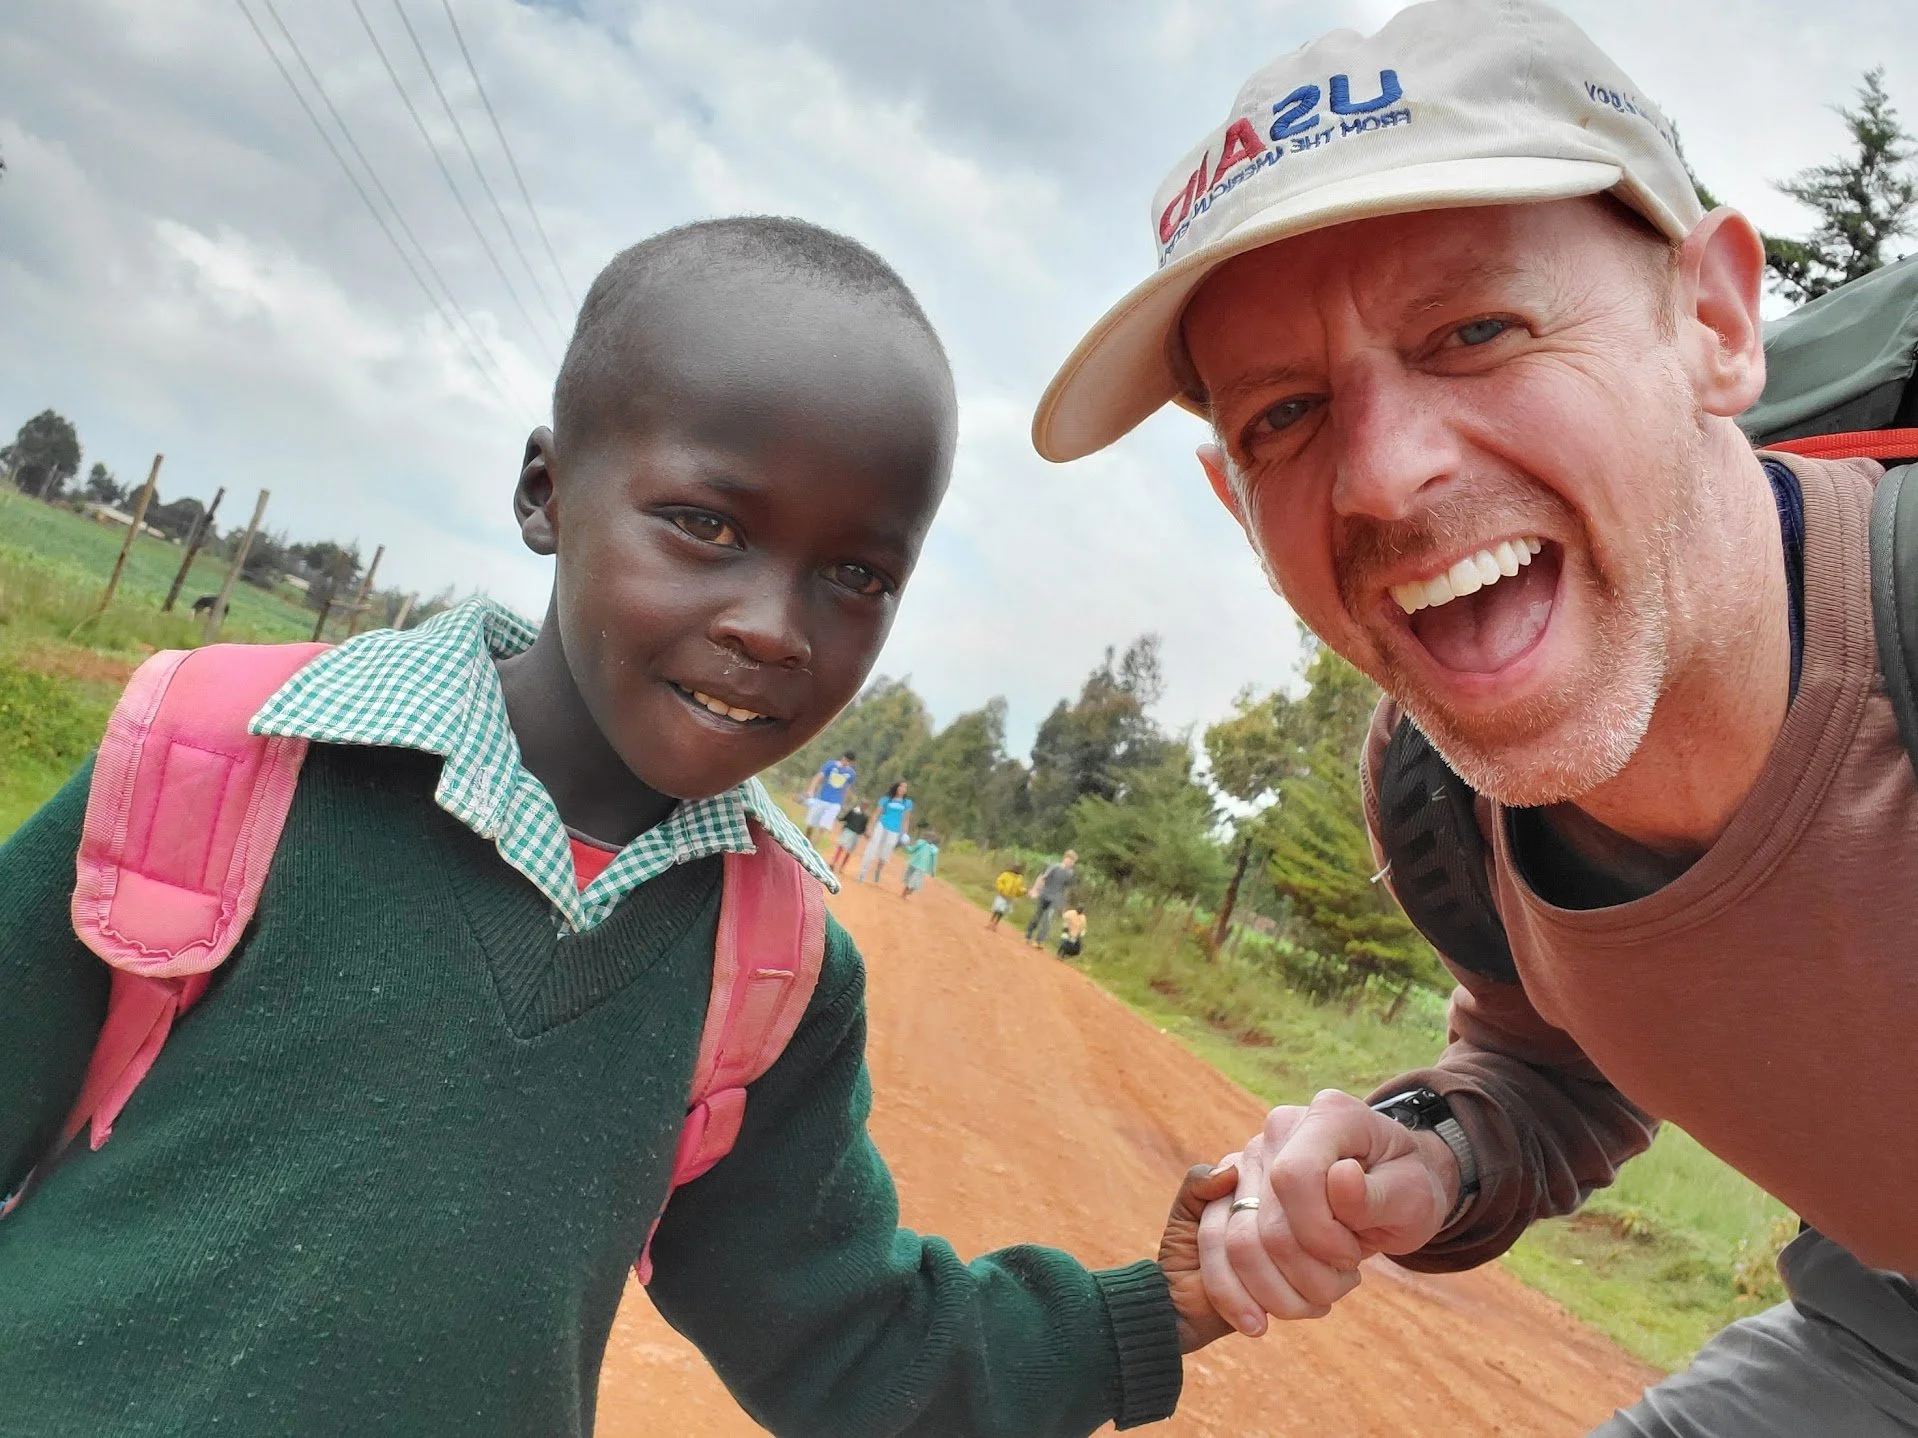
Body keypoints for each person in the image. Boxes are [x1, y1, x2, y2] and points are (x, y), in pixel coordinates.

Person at [0, 217, 1243, 1436]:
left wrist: (1160, 1309)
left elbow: (853, 1342)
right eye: (708, 524)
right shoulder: (229, 761)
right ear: (547, 492)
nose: (773, 623)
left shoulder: (768, 972)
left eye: (858, 575)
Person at [1033, 1, 1918, 1431]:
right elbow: (1549, 1056)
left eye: (1478, 329)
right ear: (1235, 507)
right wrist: (1421, 1149)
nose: (1380, 476)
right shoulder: (1442, 803)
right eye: (1282, 414)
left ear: (1712, 322)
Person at [856, 779, 913, 883]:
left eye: (905, 788)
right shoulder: (886, 799)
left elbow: (906, 819)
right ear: (896, 787)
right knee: (872, 848)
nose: (903, 789)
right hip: (882, 825)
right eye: (901, 786)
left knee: (886, 852)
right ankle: (862, 873)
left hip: (895, 830)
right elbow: (877, 813)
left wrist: (904, 834)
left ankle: (878, 870)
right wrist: (869, 828)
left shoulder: (907, 803)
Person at [1025, 850, 1077, 949]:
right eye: (1070, 860)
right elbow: (1042, 878)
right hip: (1044, 894)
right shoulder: (1055, 866)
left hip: (1055, 898)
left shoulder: (1070, 873)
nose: (1071, 863)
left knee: (1047, 918)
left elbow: (1066, 888)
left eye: (1073, 861)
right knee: (1037, 915)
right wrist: (1035, 890)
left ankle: (1039, 940)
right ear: (1065, 858)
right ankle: (1028, 934)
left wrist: (1063, 902)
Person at [804, 749, 857, 838]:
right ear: (842, 758)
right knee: (811, 822)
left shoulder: (851, 774)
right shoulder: (831, 765)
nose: (846, 763)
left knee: (824, 827)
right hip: (822, 798)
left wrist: (843, 803)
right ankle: (807, 838)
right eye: (845, 760)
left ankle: (812, 846)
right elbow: (818, 777)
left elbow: (847, 789)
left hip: (835, 803)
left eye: (849, 762)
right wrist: (811, 790)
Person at [829, 800, 869, 875]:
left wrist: (866, 834)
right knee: (841, 848)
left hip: (855, 835)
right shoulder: (853, 812)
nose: (864, 806)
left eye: (866, 805)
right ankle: (833, 863)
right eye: (863, 805)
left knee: (848, 851)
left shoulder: (865, 817)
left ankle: (841, 867)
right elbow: (844, 818)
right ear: (860, 805)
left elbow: (863, 828)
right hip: (848, 831)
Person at [901, 830, 939, 898]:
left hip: (921, 868)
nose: (929, 839)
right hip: (913, 863)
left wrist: (933, 871)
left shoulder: (934, 849)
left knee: (914, 880)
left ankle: (908, 891)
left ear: (933, 840)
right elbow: (912, 850)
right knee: (909, 879)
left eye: (931, 838)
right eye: (928, 837)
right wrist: (905, 847)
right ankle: (905, 893)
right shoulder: (920, 843)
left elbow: (934, 861)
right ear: (926, 837)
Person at [988, 861, 1026, 928]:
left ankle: (995, 924)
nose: (1017, 869)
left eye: (1018, 868)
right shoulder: (1006, 874)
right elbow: (999, 881)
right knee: (997, 909)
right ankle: (991, 921)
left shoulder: (1020, 878)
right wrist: (1001, 889)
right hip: (1002, 895)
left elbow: (1019, 888)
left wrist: (1023, 891)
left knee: (1002, 911)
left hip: (1010, 898)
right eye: (1016, 867)